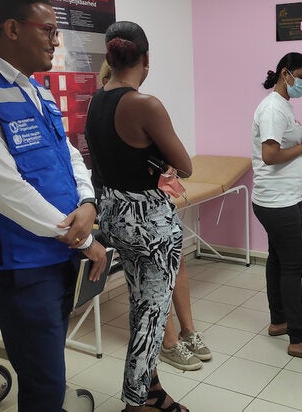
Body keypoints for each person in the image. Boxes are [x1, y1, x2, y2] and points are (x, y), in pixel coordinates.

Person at [0, 0, 107, 410]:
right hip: (19, 263)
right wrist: (84, 239)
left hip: (57, 250)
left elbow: (68, 153)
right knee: (44, 381)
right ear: (11, 28)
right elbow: (4, 190)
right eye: (48, 29)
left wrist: (87, 203)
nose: (55, 40)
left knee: (46, 369)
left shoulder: (38, 90)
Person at [85, 21, 191, 411]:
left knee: (142, 304)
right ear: (145, 59)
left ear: (109, 58)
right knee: (151, 315)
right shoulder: (144, 104)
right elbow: (186, 164)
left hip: (113, 214)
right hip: (147, 221)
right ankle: (136, 403)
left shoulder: (97, 100)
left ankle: (154, 391)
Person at [98, 59, 213, 372]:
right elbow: (184, 165)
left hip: (154, 203)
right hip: (134, 210)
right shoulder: (125, 105)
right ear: (141, 65)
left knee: (176, 262)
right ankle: (169, 342)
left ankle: (188, 331)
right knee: (156, 275)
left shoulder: (111, 103)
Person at [251, 52, 302, 362]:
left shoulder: (282, 105)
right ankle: (298, 339)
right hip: (277, 202)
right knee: (293, 264)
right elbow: (270, 155)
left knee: (278, 260)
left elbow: (283, 147)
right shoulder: (273, 107)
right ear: (285, 74)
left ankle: (279, 321)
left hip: (282, 198)